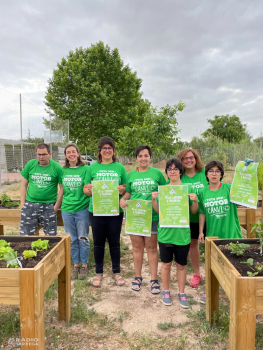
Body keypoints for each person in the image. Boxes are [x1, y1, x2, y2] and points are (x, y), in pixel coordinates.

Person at [152, 158, 198, 308]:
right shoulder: (163, 190)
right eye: (170, 169)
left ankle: (181, 292)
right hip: (166, 234)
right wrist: (154, 201)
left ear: (180, 171)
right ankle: (166, 291)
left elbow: (193, 211)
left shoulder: (187, 189)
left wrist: (195, 201)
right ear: (166, 172)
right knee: (166, 264)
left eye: (175, 169)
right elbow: (159, 212)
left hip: (182, 235)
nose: (172, 171)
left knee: (181, 265)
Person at [120, 145, 167, 294]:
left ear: (151, 158)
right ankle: (138, 277)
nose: (143, 158)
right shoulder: (131, 174)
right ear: (136, 158)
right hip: (135, 217)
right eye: (140, 156)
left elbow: (164, 193)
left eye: (146, 155)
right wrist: (122, 200)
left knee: (152, 248)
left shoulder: (157, 174)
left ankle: (154, 279)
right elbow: (128, 192)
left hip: (152, 216)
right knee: (137, 248)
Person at [83, 136, 127, 287]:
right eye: (104, 148)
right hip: (96, 210)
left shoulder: (120, 167)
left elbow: (126, 188)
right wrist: (89, 190)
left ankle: (117, 272)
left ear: (113, 150)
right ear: (100, 151)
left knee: (114, 243)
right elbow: (85, 189)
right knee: (98, 243)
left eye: (110, 148)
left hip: (114, 210)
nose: (107, 150)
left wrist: (122, 189)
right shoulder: (91, 168)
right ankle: (98, 273)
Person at [198, 160, 242, 304]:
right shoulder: (203, 192)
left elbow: (245, 192)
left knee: (235, 265)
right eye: (211, 171)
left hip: (231, 233)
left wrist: (246, 170)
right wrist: (201, 232)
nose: (214, 174)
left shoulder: (229, 189)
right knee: (213, 265)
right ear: (206, 174)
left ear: (222, 174)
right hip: (213, 235)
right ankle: (209, 291)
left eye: (217, 171)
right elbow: (202, 213)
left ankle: (237, 292)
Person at [177, 148, 208, 288]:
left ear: (196, 159)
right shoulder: (179, 176)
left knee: (212, 245)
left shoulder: (204, 174)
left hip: (208, 216)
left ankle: (214, 273)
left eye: (191, 157)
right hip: (188, 218)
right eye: (185, 158)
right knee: (193, 245)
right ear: (181, 161)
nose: (189, 160)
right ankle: (197, 274)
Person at [61, 143, 90, 280]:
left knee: (82, 238)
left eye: (73, 151)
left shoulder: (85, 169)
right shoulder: (63, 170)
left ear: (78, 154)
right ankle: (76, 264)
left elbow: (88, 188)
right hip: (66, 209)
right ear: (66, 155)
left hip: (82, 208)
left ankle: (84, 265)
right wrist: (57, 205)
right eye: (68, 152)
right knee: (72, 239)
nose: (71, 154)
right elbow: (61, 190)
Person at [20, 143, 63, 236]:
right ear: (36, 154)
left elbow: (62, 188)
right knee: (25, 237)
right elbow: (23, 185)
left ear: (49, 154)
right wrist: (23, 204)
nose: (41, 157)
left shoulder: (57, 167)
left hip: (49, 206)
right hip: (30, 205)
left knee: (50, 238)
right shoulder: (30, 164)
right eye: (39, 154)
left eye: (44, 154)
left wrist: (56, 207)